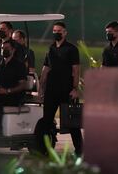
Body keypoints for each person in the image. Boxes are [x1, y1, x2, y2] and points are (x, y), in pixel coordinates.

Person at [40, 21, 83, 156]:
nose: (56, 33)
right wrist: (41, 87)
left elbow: (76, 70)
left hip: (66, 90)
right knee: (46, 122)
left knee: (71, 123)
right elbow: (45, 69)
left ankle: (80, 150)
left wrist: (75, 89)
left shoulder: (72, 49)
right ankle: (45, 150)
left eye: (59, 31)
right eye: (54, 31)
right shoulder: (51, 48)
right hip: (51, 90)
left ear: (65, 32)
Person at [0, 40, 27, 135]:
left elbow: (22, 85)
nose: (4, 50)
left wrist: (7, 91)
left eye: (7, 48)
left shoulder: (19, 65)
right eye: (2, 48)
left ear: (13, 50)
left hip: (15, 95)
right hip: (2, 93)